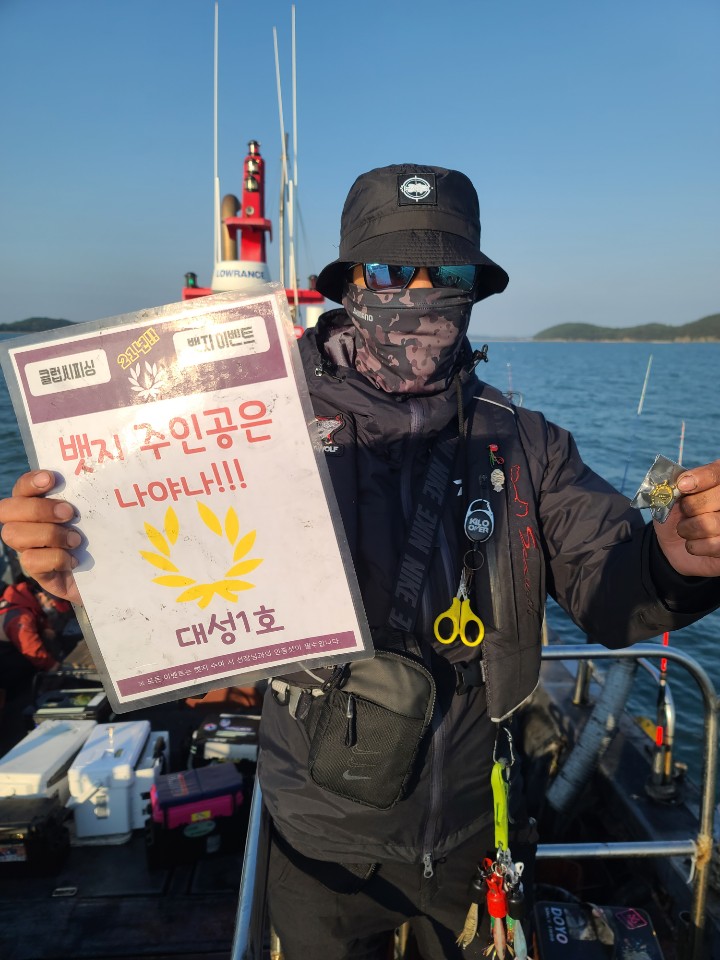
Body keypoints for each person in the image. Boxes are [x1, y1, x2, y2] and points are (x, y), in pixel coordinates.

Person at [1, 164, 720, 959]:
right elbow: (176, 576)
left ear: (474, 289)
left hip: (477, 826)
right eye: (390, 269)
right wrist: (89, 573)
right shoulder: (249, 426)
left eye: (446, 273)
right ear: (349, 284)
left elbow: (611, 591)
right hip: (317, 835)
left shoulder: (529, 443)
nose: (418, 292)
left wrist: (676, 559)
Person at [0, 577, 71, 694]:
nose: (53, 605)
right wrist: (51, 666)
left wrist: (44, 627)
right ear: (42, 595)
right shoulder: (21, 617)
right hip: (9, 671)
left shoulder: (21, 600)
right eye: (52, 603)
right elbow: (31, 648)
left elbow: (37, 615)